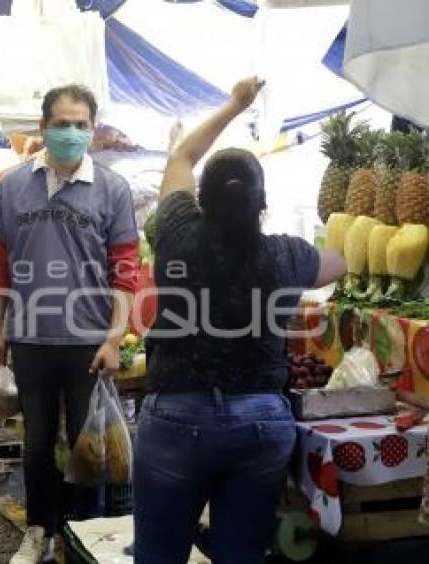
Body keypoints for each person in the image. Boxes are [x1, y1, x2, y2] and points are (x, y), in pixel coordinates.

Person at [133, 77, 347, 564]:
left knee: (158, 556)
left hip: (177, 418)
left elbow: (181, 158)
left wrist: (235, 105)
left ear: (201, 199)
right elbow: (339, 264)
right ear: (262, 205)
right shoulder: (284, 255)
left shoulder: (177, 232)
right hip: (262, 424)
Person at [0, 84, 140, 564]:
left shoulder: (113, 191)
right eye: (62, 123)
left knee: (86, 448)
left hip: (87, 343)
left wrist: (114, 339)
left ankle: (84, 536)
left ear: (92, 130)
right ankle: (39, 531)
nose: (71, 132)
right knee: (34, 445)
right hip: (30, 338)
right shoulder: (13, 186)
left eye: (80, 124)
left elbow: (126, 272)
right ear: (43, 127)